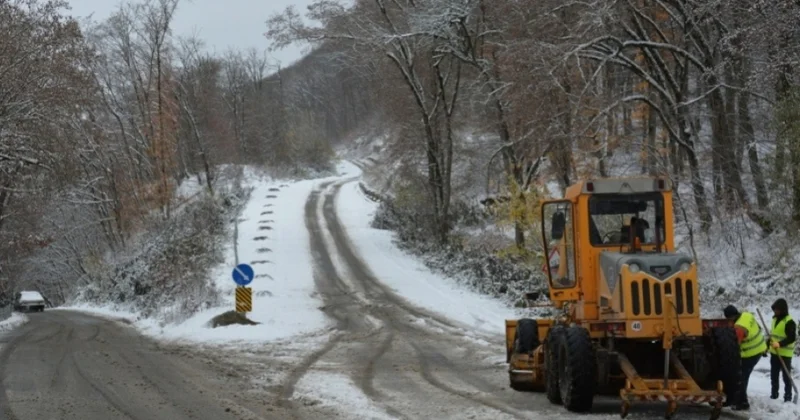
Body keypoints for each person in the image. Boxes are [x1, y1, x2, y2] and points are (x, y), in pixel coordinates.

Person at [724, 305, 768, 411]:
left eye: (728, 320)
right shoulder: (746, 315)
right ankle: (737, 399)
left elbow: (735, 346)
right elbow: (758, 328)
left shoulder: (739, 328)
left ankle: (743, 403)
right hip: (760, 348)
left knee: (741, 377)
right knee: (742, 376)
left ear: (731, 318)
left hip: (751, 354)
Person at [769, 298, 796, 402]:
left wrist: (780, 344)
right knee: (774, 376)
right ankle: (774, 395)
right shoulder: (774, 319)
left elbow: (791, 338)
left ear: (783, 309)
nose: (775, 311)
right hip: (774, 353)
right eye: (775, 309)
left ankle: (787, 398)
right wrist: (768, 345)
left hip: (785, 354)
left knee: (786, 377)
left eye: (777, 309)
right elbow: (773, 335)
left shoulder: (789, 322)